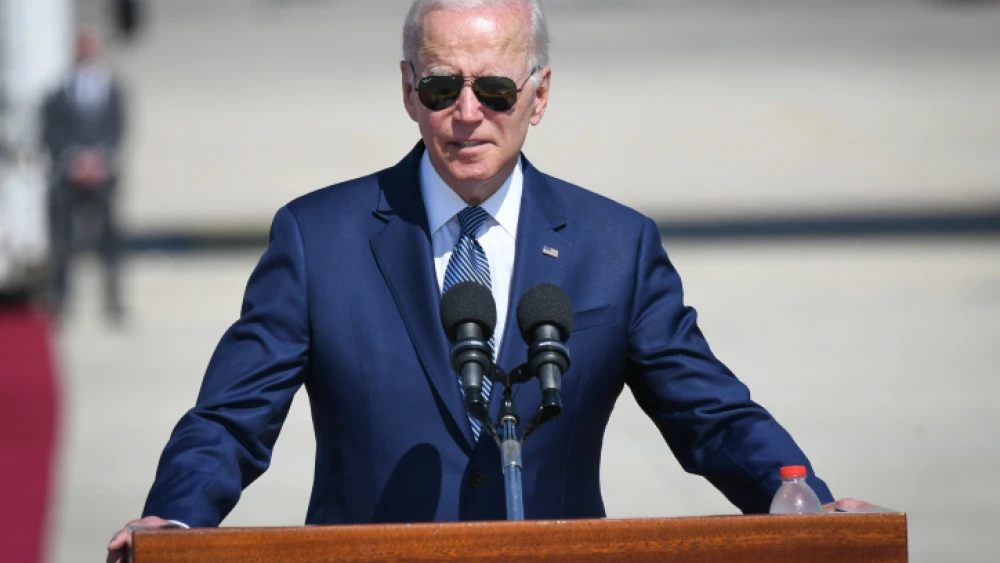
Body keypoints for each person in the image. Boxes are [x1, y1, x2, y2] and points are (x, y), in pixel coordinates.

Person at [108, 0, 871, 560]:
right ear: (408, 90)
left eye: (495, 90)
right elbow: (230, 419)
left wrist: (808, 500)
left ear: (538, 97)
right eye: (443, 88)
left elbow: (712, 414)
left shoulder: (616, 246)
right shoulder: (318, 239)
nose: (467, 113)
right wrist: (173, 520)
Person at [41, 29, 127, 325]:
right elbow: (51, 131)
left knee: (110, 241)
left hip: (102, 175)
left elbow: (118, 128)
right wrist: (74, 160)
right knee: (63, 242)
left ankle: (113, 301)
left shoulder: (111, 89)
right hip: (70, 175)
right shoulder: (60, 90)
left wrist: (100, 159)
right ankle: (62, 299)